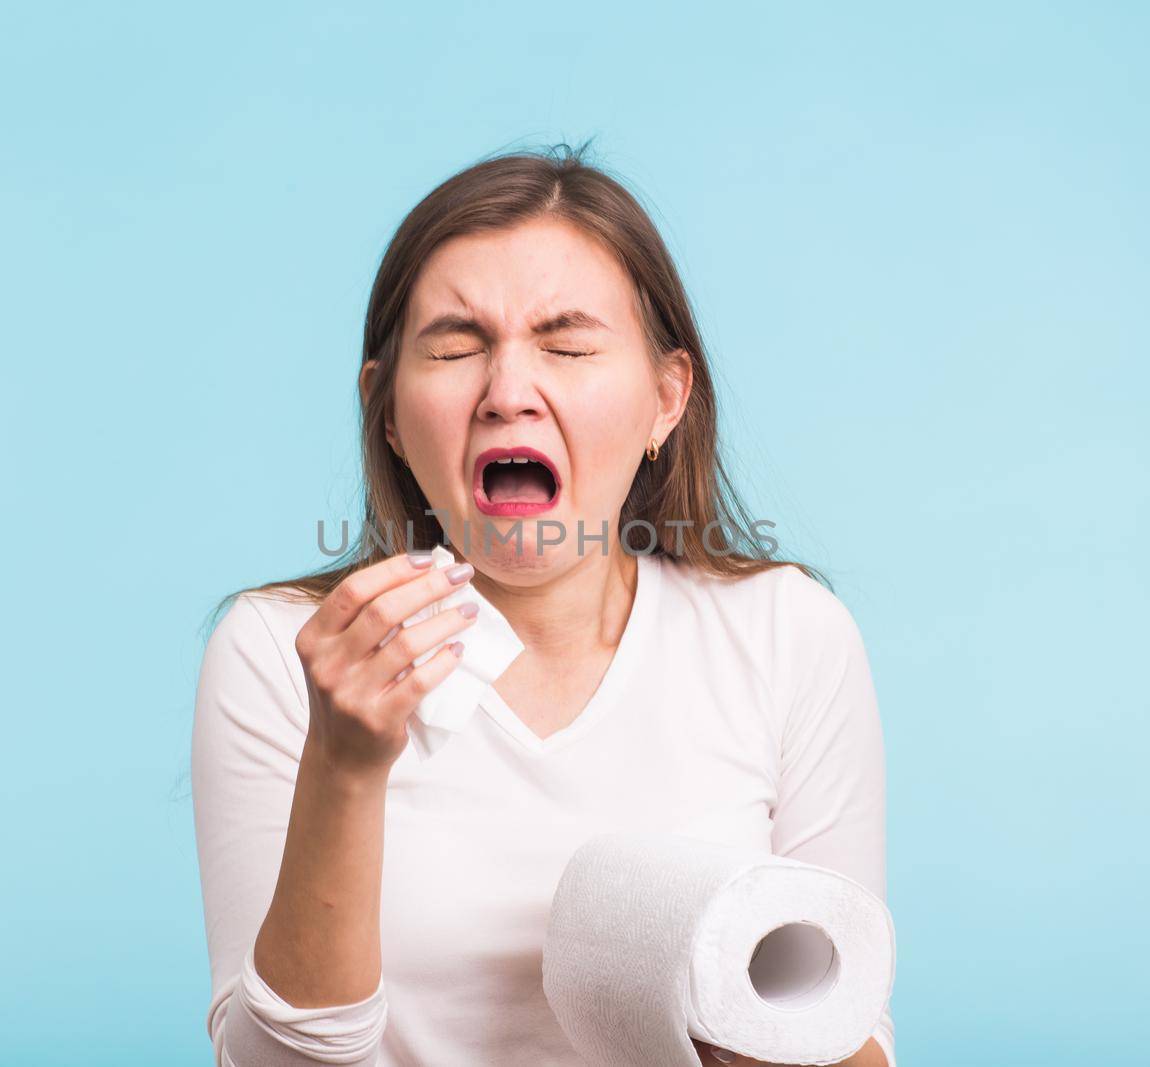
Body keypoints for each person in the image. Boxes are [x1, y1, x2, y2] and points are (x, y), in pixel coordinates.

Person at [191, 144, 896, 1066]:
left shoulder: (787, 633)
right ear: (389, 413)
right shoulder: (281, 650)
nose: (509, 394)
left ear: (665, 398)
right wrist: (346, 764)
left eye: (566, 346)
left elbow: (850, 1026)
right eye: (453, 347)